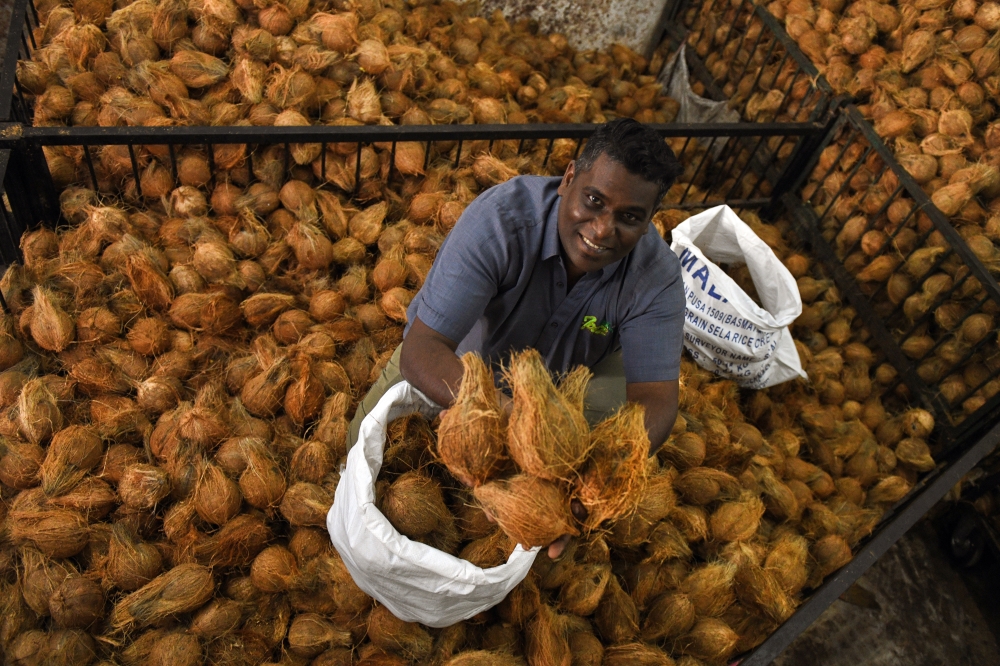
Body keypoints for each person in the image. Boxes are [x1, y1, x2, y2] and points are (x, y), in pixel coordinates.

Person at [348, 118, 687, 559]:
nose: (603, 229)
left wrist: (589, 478)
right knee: (354, 456)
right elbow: (422, 350)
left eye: (628, 217)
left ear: (647, 223)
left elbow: (657, 399)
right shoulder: (502, 220)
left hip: (570, 383)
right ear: (568, 179)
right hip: (462, 364)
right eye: (593, 201)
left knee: (557, 532)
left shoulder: (656, 275)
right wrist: (516, 423)